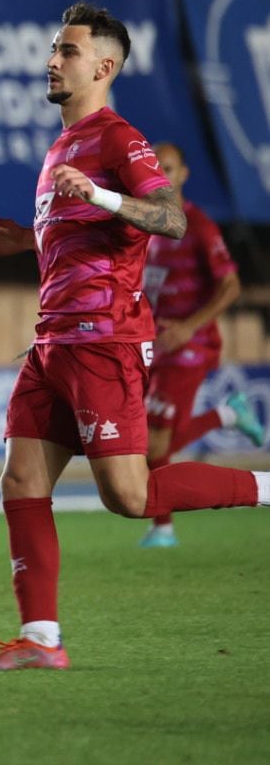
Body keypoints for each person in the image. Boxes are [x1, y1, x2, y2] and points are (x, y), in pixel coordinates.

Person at [0, 2, 270, 672]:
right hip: (54, 345)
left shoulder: (117, 138)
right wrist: (32, 238)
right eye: (53, 47)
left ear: (103, 66)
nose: (52, 59)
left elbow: (169, 218)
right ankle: (42, 640)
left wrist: (100, 199)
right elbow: (84, 239)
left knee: (130, 497)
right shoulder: (61, 147)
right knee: (19, 481)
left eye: (66, 51)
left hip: (105, 344)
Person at [139, 142, 266, 548]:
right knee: (148, 444)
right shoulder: (148, 226)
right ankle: (228, 414)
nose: (161, 172)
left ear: (183, 175)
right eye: (155, 167)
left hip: (189, 349)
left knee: (151, 444)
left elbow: (231, 286)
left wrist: (189, 328)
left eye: (169, 167)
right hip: (157, 347)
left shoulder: (199, 226)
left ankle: (163, 529)